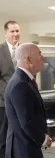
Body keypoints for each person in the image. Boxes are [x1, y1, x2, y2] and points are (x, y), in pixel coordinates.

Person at [4, 43, 52, 158]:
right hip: (22, 150)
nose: (43, 57)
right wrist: (43, 139)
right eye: (39, 53)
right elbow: (27, 121)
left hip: (27, 147)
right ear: (29, 59)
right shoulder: (20, 84)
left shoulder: (24, 80)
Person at [0, 20, 20, 158]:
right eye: (12, 31)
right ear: (5, 33)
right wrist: (9, 94)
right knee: (3, 136)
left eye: (17, 31)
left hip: (22, 102)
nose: (15, 34)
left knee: (20, 135)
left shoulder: (25, 49)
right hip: (3, 102)